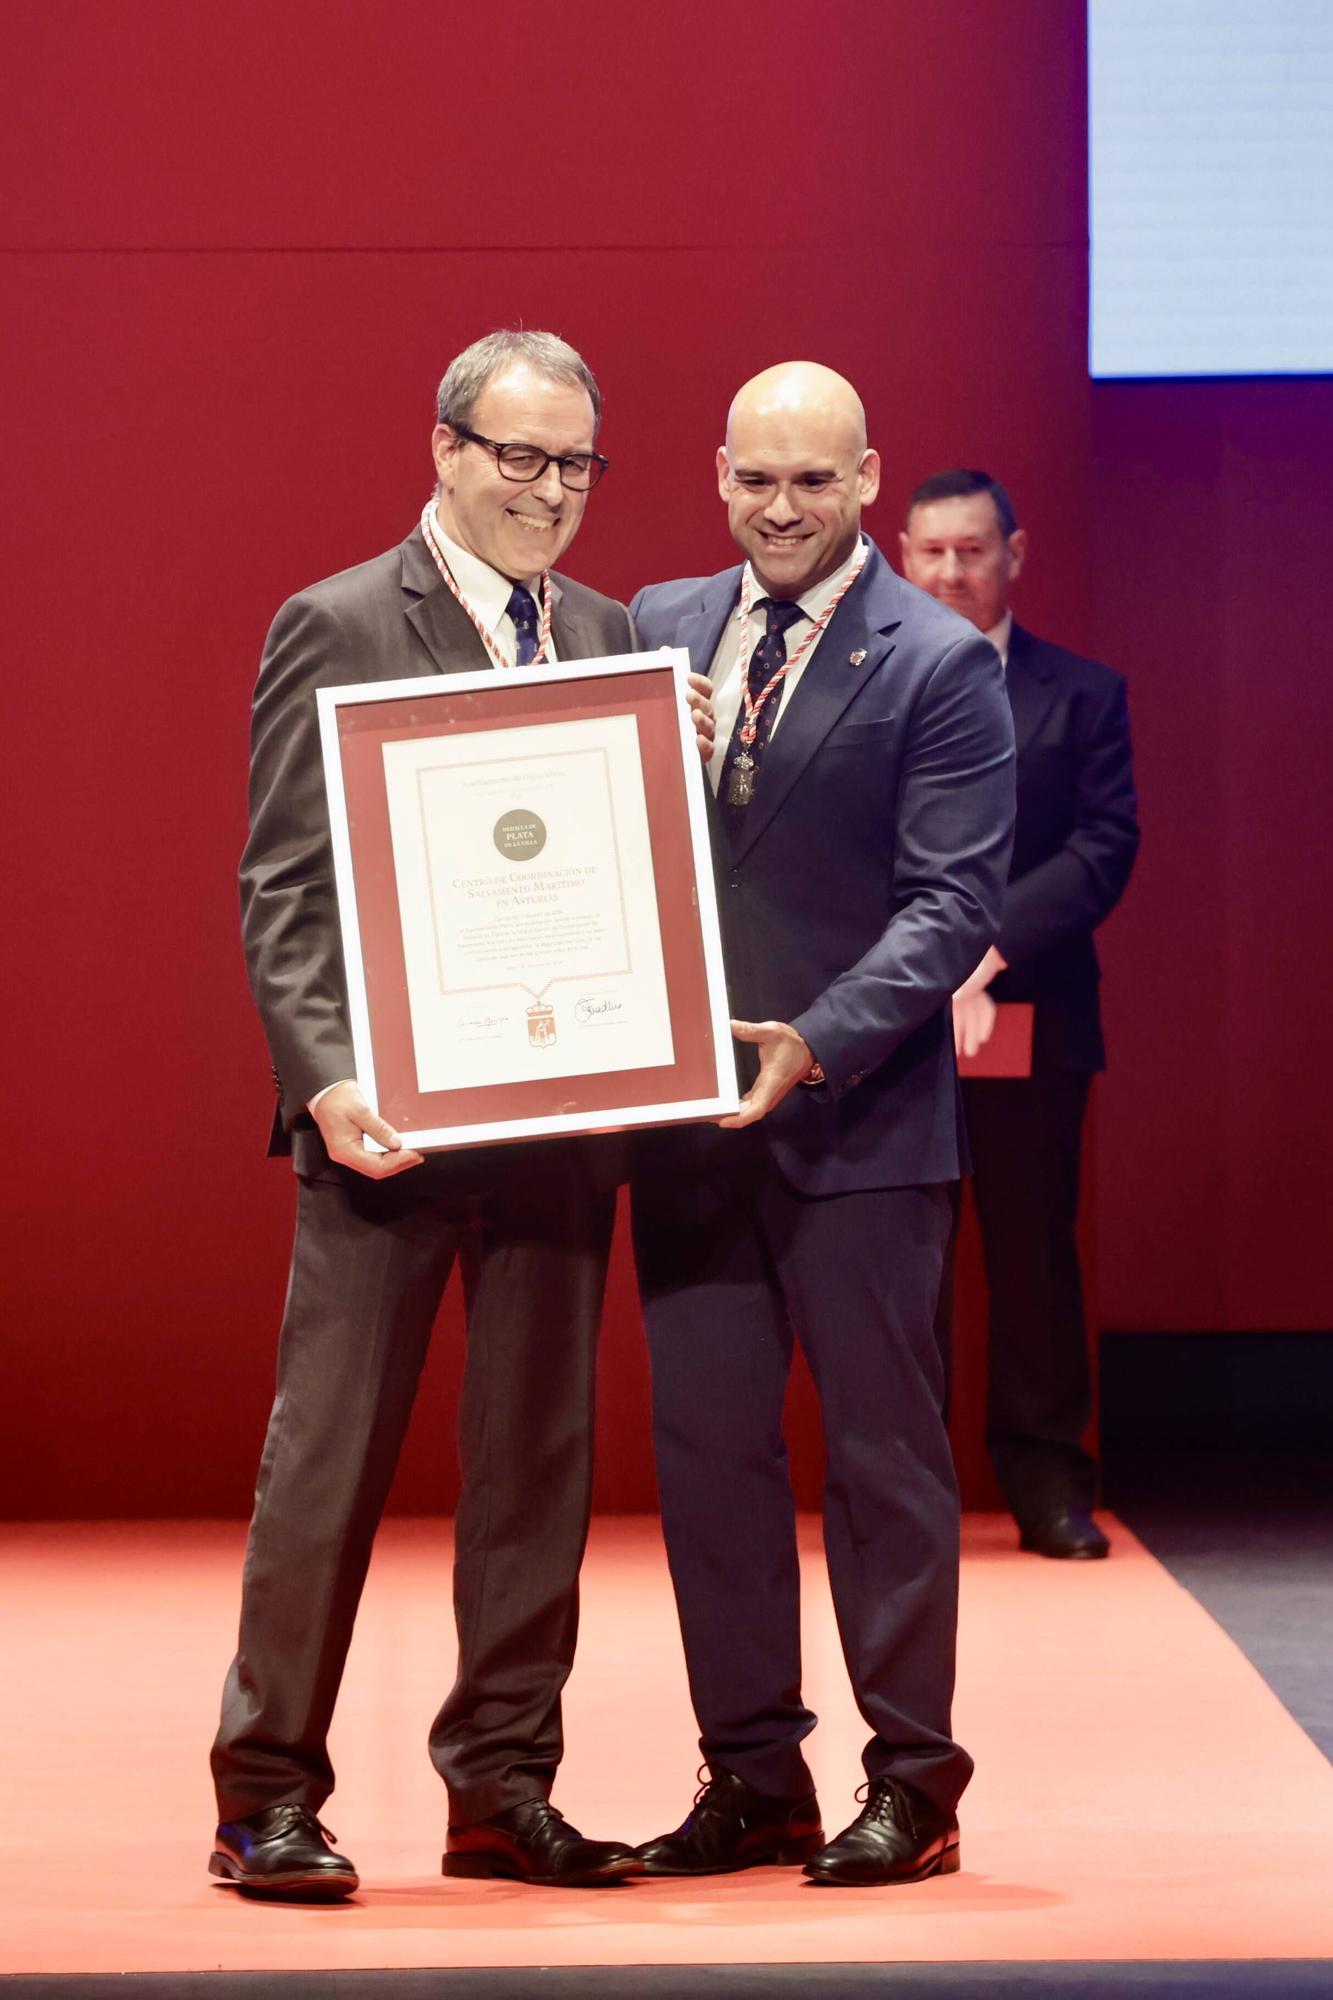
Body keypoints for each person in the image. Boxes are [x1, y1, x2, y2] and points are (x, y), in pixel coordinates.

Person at [211, 329, 711, 1898]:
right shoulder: (339, 621)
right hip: (388, 1128)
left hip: (561, 1117)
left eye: (574, 463)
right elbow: (283, 892)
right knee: (328, 1464)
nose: (548, 491)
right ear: (443, 449)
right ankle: (264, 1795)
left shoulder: (615, 633)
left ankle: (501, 1787)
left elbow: (626, 890)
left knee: (534, 1470)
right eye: (520, 456)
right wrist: (328, 1078)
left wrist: (679, 776)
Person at [628, 363, 1015, 1887]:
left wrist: (821, 1037)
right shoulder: (655, 628)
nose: (779, 511)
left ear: (864, 482)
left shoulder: (936, 661)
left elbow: (952, 904)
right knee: (710, 1456)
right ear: (718, 477)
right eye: (753, 481)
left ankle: (912, 1782)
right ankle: (752, 1777)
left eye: (813, 482)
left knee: (882, 1462)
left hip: (862, 1124)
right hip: (686, 1124)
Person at [900, 469, 1140, 1560]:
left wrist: (985, 948)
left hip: (1027, 1011)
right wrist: (922, 964)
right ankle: (905, 1494)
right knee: (900, 1253)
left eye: (973, 551)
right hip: (894, 1016)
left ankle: (1047, 1482)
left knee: (1033, 1250)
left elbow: (1101, 847)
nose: (952, 572)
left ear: (1014, 554)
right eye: (932, 551)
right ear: (901, 554)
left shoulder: (1082, 693)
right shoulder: (864, 685)